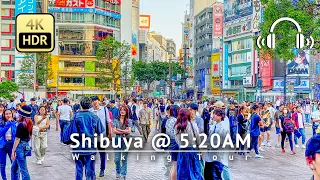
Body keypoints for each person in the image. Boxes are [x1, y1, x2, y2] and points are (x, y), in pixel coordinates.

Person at [67, 97, 105, 180]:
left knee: (79, 169)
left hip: (77, 147)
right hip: (90, 147)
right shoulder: (94, 117)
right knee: (90, 170)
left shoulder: (75, 116)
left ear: (81, 104)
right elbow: (100, 131)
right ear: (90, 104)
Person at [174, 108, 204, 180]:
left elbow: (177, 141)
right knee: (194, 171)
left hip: (182, 152)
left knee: (183, 172)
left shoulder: (177, 126)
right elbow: (198, 138)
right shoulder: (192, 124)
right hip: (192, 151)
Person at [205, 109, 231, 179]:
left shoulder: (223, 128)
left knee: (215, 175)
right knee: (208, 174)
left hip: (217, 155)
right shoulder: (214, 125)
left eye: (215, 114)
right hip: (211, 154)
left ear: (220, 116)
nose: (213, 116)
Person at [89, 96, 111, 177]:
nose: (95, 102)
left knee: (102, 153)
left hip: (102, 135)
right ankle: (92, 171)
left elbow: (108, 121)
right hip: (92, 136)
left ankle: (102, 169)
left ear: (99, 101)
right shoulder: (90, 111)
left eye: (96, 100)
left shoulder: (104, 110)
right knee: (92, 154)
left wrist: (110, 132)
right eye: (93, 101)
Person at [11, 104, 33, 180]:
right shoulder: (30, 123)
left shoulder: (21, 124)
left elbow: (17, 139)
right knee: (14, 168)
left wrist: (13, 150)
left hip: (19, 147)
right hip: (25, 145)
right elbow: (29, 136)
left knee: (23, 170)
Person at [112, 105, 132, 180]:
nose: (122, 111)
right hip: (117, 140)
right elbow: (114, 130)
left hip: (126, 140)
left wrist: (119, 130)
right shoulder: (115, 120)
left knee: (124, 159)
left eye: (124, 110)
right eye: (121, 110)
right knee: (117, 159)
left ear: (126, 111)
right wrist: (124, 131)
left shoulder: (129, 120)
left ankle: (123, 174)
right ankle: (118, 171)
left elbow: (129, 131)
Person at [0, 109, 17, 180]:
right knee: (2, 164)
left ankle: (15, 178)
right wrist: (8, 124)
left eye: (9, 113)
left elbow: (16, 134)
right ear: (4, 115)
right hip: (2, 145)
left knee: (14, 164)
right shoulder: (1, 123)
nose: (8, 115)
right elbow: (1, 133)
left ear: (12, 114)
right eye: (6, 114)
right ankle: (4, 178)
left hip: (12, 145)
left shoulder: (15, 123)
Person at [165, 105, 180, 180]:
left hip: (171, 142)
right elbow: (173, 133)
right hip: (175, 142)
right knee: (175, 164)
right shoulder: (174, 120)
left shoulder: (168, 119)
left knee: (173, 165)